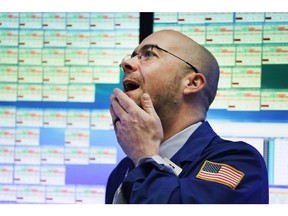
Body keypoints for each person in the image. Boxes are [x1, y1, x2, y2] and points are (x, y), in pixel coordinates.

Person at [106, 29, 269, 204]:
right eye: (132, 56)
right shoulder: (124, 169)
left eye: (148, 54)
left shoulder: (240, 162)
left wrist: (146, 157)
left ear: (192, 83)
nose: (126, 63)